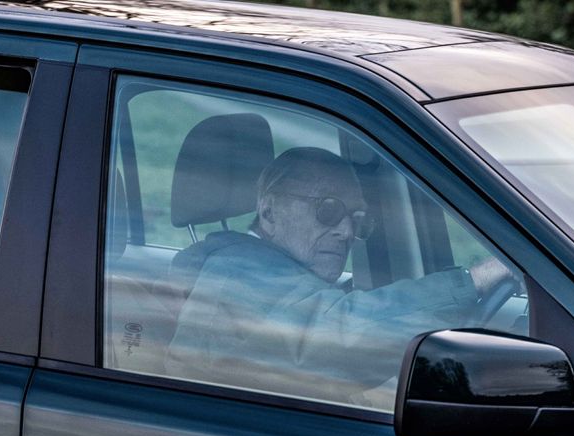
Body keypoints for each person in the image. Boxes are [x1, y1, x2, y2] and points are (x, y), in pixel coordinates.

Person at [165, 147, 513, 408]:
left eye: (358, 219)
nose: (346, 232)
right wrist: (473, 280)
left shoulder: (271, 270)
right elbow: (339, 334)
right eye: (328, 210)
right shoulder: (238, 274)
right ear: (269, 211)